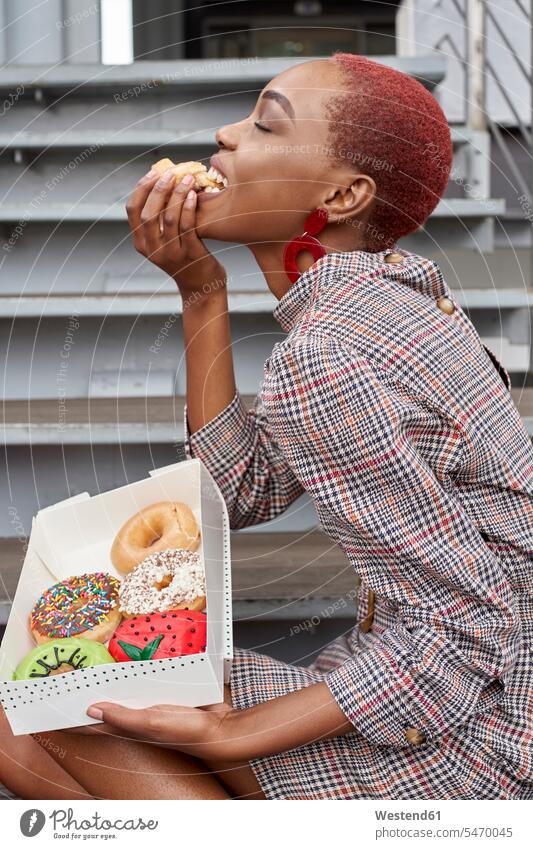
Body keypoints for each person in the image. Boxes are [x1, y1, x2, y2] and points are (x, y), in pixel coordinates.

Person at [1, 52, 532, 800]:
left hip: (470, 749)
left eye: (262, 124)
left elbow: (467, 627)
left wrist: (227, 733)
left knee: (34, 702)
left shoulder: (330, 353)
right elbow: (241, 489)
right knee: (42, 682)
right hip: (479, 693)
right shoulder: (390, 298)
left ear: (343, 194)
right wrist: (200, 294)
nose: (223, 132)